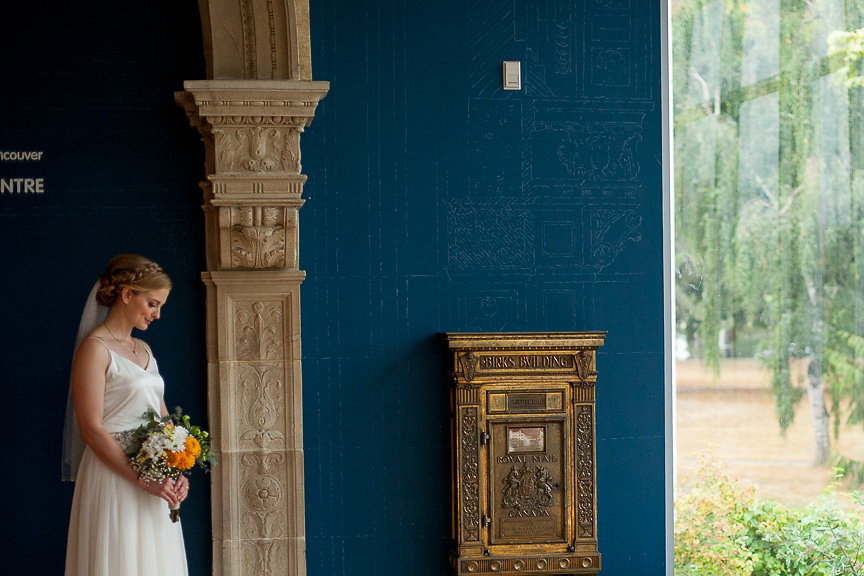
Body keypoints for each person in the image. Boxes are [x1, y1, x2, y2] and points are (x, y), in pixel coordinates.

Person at [63, 254, 189, 575]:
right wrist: (142, 479)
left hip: (154, 474)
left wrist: (176, 467)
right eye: (152, 304)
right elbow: (90, 429)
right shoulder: (95, 349)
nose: (157, 314)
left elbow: (162, 417)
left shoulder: (144, 350)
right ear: (127, 294)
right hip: (114, 473)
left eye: (160, 306)